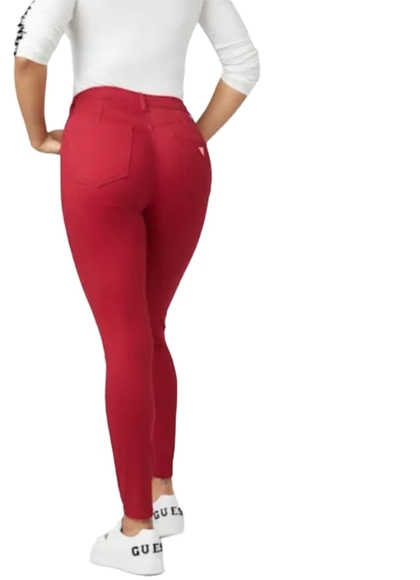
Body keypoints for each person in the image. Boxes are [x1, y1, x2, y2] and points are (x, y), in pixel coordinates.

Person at [13, 0, 260, 574]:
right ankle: (161, 493)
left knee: (125, 339)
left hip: (100, 141)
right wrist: (184, 138)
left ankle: (136, 531)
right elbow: (244, 64)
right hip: (181, 149)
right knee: (150, 329)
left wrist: (36, 135)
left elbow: (29, 56)